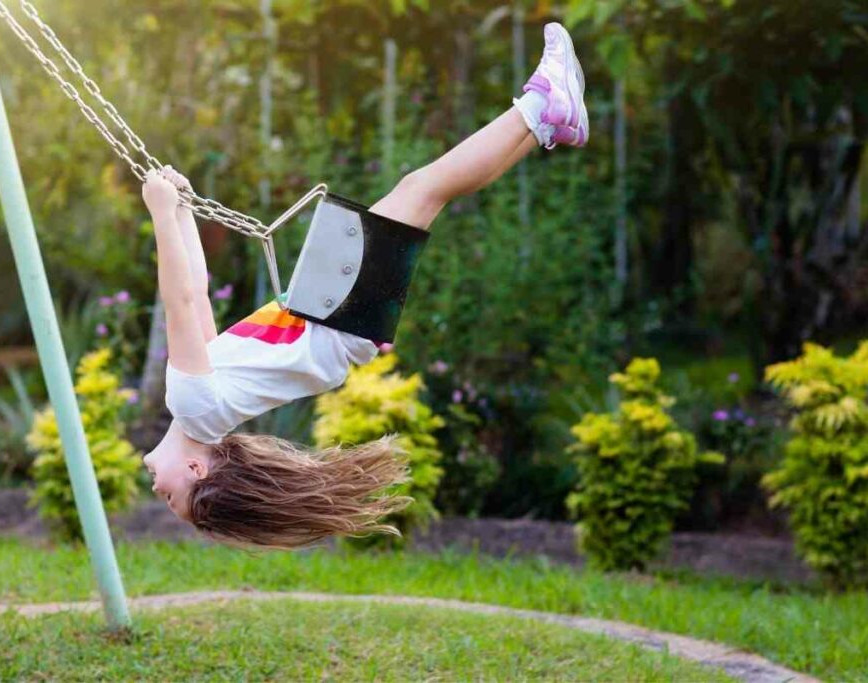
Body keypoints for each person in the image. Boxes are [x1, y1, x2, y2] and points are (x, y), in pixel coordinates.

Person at [143, 22, 588, 548]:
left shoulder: (208, 406)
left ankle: (547, 123)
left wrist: (181, 213)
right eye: (171, 497)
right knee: (423, 188)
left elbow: (196, 291)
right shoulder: (194, 407)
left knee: (428, 193)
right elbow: (182, 297)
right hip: (332, 311)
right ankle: (542, 106)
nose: (157, 490)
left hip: (335, 317)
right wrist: (158, 212)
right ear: (196, 468)